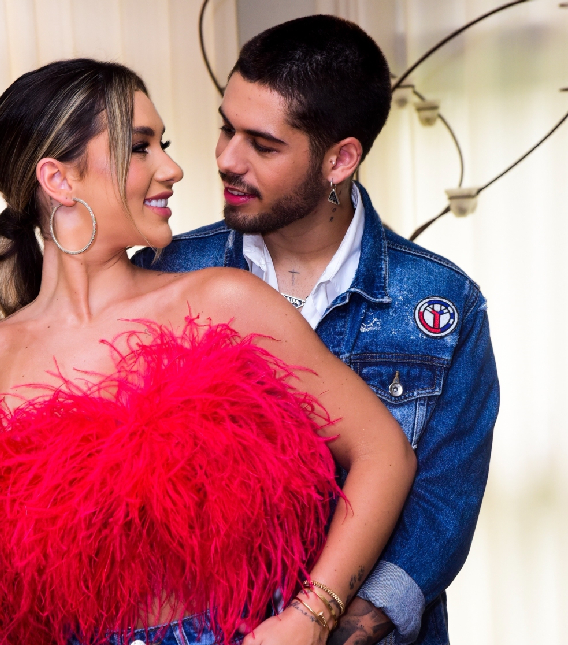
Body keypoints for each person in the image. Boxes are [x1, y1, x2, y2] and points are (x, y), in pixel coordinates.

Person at [0, 59, 415, 645]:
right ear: (59, 180)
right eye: (140, 147)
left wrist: (311, 616)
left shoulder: (225, 304)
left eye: (163, 145)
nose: (172, 169)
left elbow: (383, 452)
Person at [133, 15, 499, 645]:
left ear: (340, 159)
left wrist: (319, 628)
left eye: (262, 144)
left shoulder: (443, 305)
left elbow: (443, 507)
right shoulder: (166, 273)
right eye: (226, 127)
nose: (226, 159)